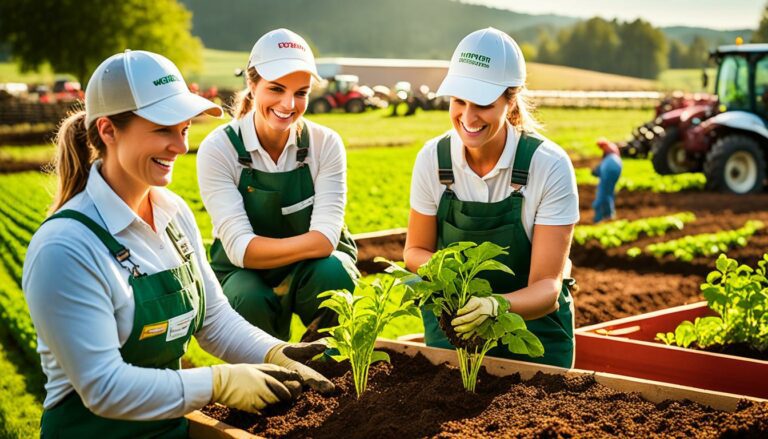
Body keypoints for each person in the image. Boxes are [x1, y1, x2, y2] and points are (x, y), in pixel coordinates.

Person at [22, 50, 334, 438]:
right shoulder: (66, 247)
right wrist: (217, 383)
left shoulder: (173, 214)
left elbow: (213, 319)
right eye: (162, 129)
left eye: (184, 129)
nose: (181, 146)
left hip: (170, 430)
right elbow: (103, 388)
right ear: (108, 130)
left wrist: (272, 352)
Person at [403, 28, 579, 368]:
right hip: (453, 326)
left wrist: (495, 306)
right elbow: (414, 251)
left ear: (510, 100)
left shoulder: (548, 166)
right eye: (459, 101)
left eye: (483, 104)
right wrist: (455, 288)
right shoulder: (433, 160)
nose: (468, 118)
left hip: (532, 333)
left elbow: (547, 287)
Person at [197, 29, 358, 342]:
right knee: (245, 297)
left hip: (310, 271)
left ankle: (326, 366)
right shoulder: (219, 149)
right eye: (276, 89)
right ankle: (266, 375)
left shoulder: (324, 144)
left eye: (301, 92)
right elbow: (240, 251)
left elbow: (327, 242)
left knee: (334, 272)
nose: (289, 104)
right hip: (244, 275)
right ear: (252, 84)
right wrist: (308, 243)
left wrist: (261, 251)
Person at [592, 138, 622, 223]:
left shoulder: (608, 150)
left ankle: (599, 218)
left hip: (610, 167)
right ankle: (609, 215)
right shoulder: (612, 149)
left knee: (602, 193)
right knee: (609, 192)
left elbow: (603, 166)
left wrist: (597, 170)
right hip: (617, 166)